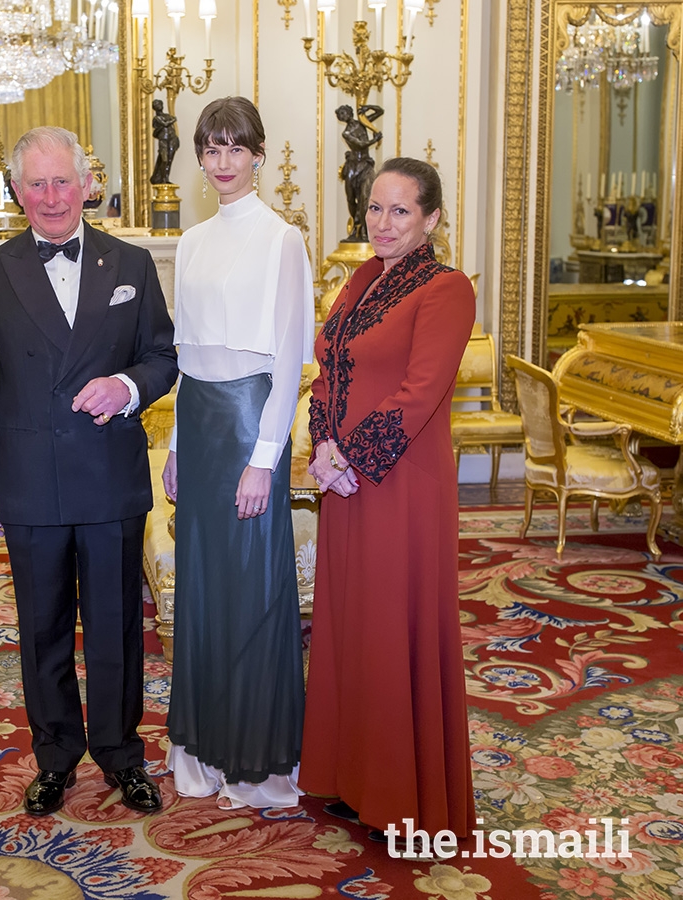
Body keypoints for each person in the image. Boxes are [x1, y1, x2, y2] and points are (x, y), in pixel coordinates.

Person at [0, 126, 178, 817]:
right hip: (28, 477)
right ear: (16, 191)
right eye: (37, 183)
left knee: (115, 626)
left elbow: (163, 357)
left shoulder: (132, 264)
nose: (52, 197)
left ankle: (120, 754)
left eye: (64, 181)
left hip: (108, 476)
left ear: (88, 184)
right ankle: (55, 756)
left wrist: (127, 386)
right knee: (42, 628)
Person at [300, 157, 476, 842]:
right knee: (351, 628)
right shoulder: (361, 279)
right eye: (375, 208)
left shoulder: (447, 289)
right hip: (346, 483)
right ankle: (353, 776)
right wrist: (322, 448)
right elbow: (328, 373)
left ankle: (401, 796)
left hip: (399, 486)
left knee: (391, 627)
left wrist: (348, 457)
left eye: (400, 211)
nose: (382, 222)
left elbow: (420, 393)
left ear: (431, 219)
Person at [161, 97, 314, 810]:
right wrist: (175, 443)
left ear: (257, 153)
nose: (222, 162)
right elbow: (186, 357)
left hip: (255, 421)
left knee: (253, 590)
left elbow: (289, 362)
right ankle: (201, 749)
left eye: (235, 148)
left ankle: (256, 761)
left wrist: (264, 456)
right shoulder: (190, 241)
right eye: (210, 149)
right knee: (200, 589)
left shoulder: (283, 239)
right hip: (199, 419)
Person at [335, 104, 383, 243]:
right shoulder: (346, 133)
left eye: (344, 113)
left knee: (364, 197)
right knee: (351, 198)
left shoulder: (363, 121)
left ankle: (363, 227)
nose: (343, 116)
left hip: (365, 166)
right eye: (341, 115)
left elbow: (380, 111)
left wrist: (367, 107)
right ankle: (356, 226)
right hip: (352, 167)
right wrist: (375, 139)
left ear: (350, 112)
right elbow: (361, 145)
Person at [150, 99, 180, 186]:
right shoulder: (156, 118)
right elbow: (165, 124)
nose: (159, 106)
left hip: (171, 139)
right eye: (156, 105)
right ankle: (161, 178)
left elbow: (173, 129)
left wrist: (176, 139)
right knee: (164, 160)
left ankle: (166, 178)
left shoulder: (167, 115)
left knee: (170, 160)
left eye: (159, 104)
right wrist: (173, 120)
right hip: (163, 140)